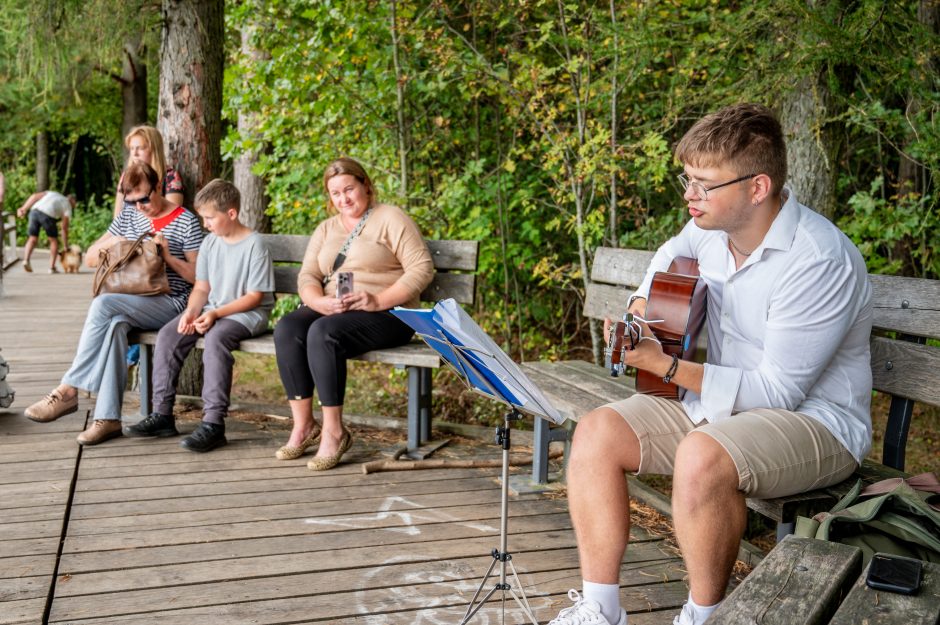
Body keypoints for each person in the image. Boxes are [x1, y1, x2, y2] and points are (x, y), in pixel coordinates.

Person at [548, 104, 873, 625]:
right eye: (688, 179)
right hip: (720, 406)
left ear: (757, 187)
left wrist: (670, 369)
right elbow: (661, 266)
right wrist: (638, 313)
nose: (688, 195)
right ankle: (599, 609)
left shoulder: (819, 260)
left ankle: (704, 616)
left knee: (702, 455)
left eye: (703, 184)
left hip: (817, 422)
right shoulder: (709, 229)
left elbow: (778, 391)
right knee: (596, 432)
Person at [24, 161, 203, 445]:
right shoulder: (129, 216)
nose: (140, 206)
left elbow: (198, 278)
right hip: (130, 301)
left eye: (145, 198)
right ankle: (107, 419)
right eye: (132, 201)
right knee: (115, 325)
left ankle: (68, 389)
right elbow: (90, 257)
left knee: (104, 305)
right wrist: (114, 242)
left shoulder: (186, 220)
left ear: (159, 187)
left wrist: (168, 256)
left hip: (172, 302)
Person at [273, 157, 434, 470]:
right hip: (337, 307)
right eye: (335, 193)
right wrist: (317, 301)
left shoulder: (390, 218)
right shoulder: (327, 228)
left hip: (389, 313)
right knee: (288, 328)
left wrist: (378, 299)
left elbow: (422, 269)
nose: (344, 199)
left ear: (366, 186)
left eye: (349, 189)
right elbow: (307, 275)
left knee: (323, 333)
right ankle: (304, 426)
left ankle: (335, 432)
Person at [123, 179, 275, 452]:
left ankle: (213, 424)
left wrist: (215, 313)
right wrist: (192, 312)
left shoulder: (255, 245)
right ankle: (162, 414)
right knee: (171, 333)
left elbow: (255, 297)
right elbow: (202, 287)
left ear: (231, 214)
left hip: (246, 314)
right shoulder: (210, 244)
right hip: (212, 310)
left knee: (216, 340)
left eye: (209, 218)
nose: (205, 224)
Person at [114, 125, 184, 219]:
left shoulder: (170, 177)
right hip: (127, 231)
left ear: (154, 149)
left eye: (140, 148)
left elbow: (172, 218)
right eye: (132, 148)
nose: (135, 154)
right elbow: (117, 217)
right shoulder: (125, 176)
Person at [16, 190, 76, 273]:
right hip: (48, 215)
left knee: (32, 238)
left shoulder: (53, 193)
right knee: (53, 240)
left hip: (34, 212)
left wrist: (23, 208)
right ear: (72, 200)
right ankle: (52, 267)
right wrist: (65, 246)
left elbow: (34, 196)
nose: (74, 206)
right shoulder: (68, 205)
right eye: (74, 204)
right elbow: (64, 228)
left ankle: (26, 260)